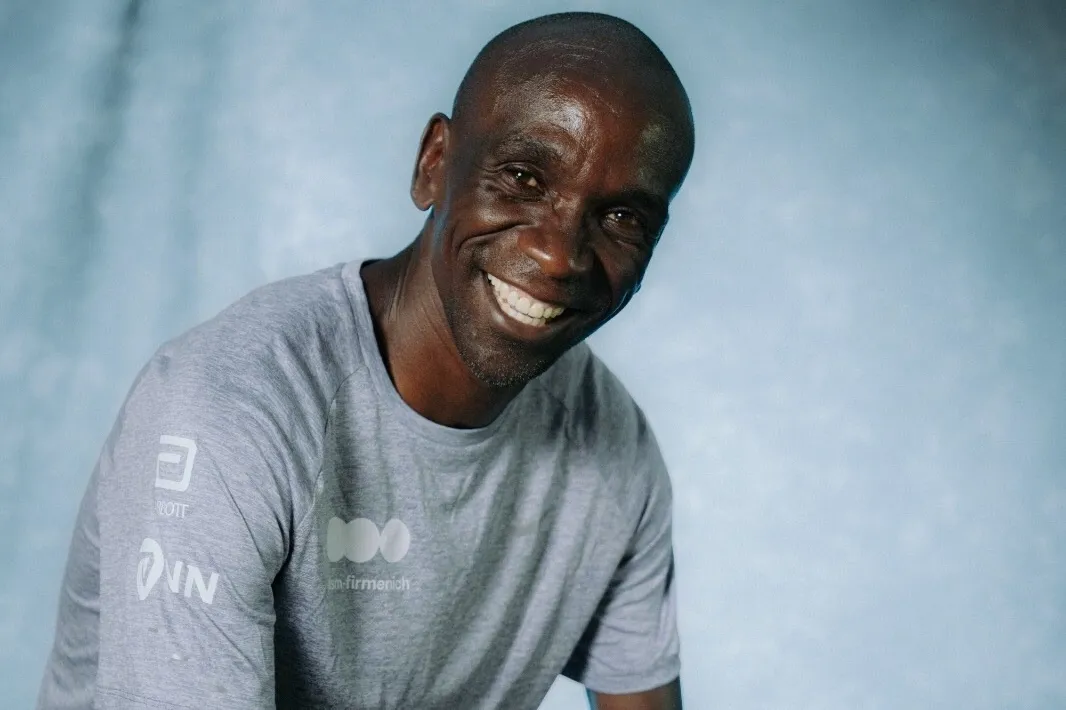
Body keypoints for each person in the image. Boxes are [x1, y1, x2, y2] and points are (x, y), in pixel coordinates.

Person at [36, 10, 695, 710]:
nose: (560, 255)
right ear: (434, 164)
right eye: (524, 177)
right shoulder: (228, 410)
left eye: (622, 218)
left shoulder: (615, 446)